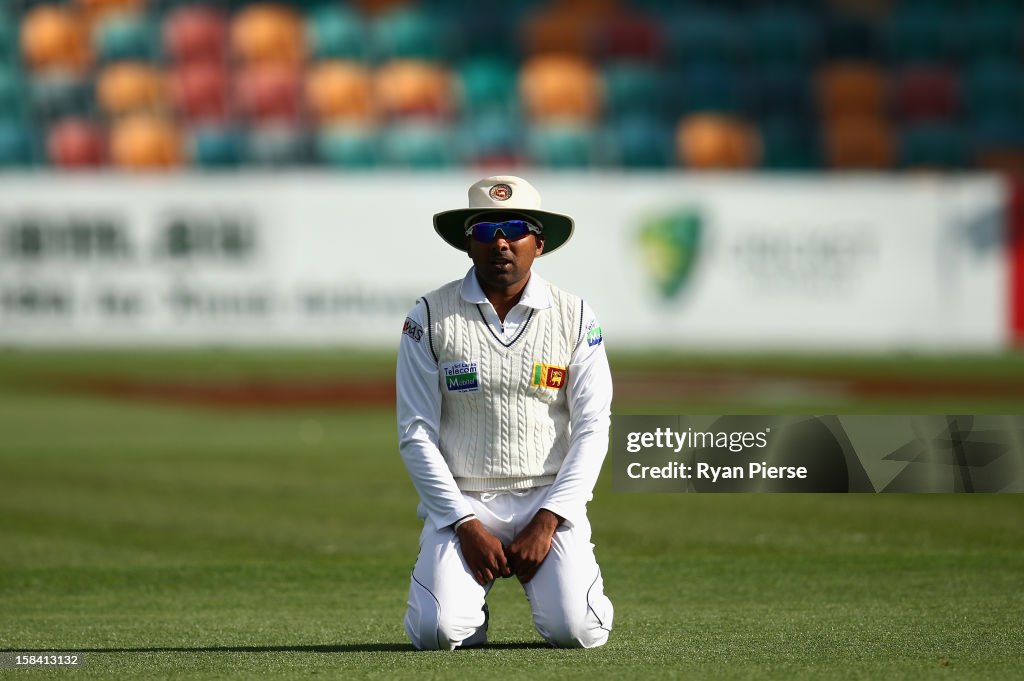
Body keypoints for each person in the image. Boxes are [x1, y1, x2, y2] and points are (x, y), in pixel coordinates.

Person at [396, 175, 614, 650]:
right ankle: (462, 605)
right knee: (437, 632)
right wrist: (464, 524)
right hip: (464, 503)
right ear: (467, 246)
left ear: (539, 242)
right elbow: (415, 432)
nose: (500, 241)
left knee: (579, 631)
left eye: (514, 227)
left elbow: (593, 427)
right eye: (484, 230)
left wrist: (550, 517)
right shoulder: (428, 316)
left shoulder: (576, 315)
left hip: (548, 498)